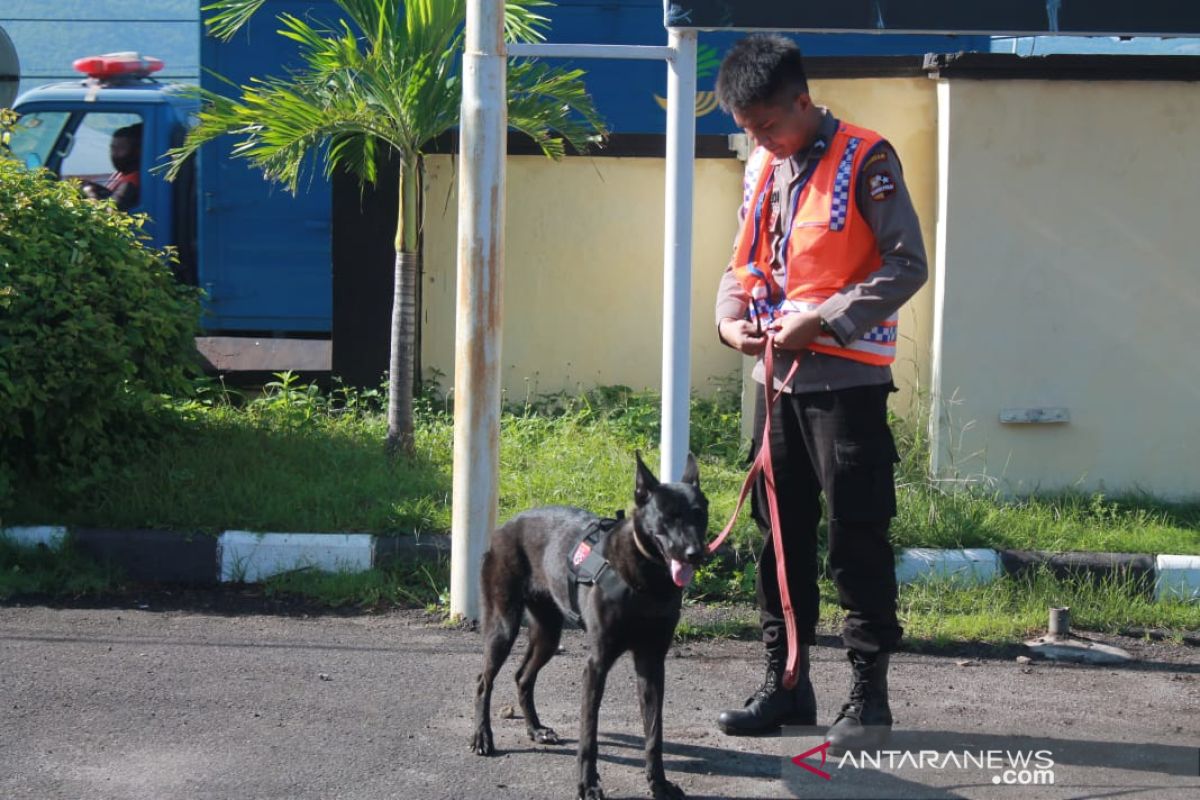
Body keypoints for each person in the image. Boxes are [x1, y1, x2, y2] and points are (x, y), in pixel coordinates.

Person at [712, 35, 927, 754]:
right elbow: (744, 263)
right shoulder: (762, 166)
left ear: (803, 101)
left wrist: (825, 321)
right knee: (778, 541)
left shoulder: (868, 159)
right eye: (749, 132)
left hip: (847, 386)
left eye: (769, 126)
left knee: (856, 537)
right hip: (777, 382)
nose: (762, 142)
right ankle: (787, 685)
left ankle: (869, 699)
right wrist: (727, 316)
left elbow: (906, 264)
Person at [81, 123, 142, 212]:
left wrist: (89, 193)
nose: (115, 154)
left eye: (121, 148)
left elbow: (109, 212)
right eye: (113, 148)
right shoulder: (127, 175)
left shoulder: (133, 180)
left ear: (137, 151)